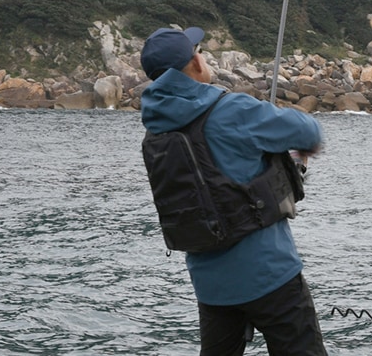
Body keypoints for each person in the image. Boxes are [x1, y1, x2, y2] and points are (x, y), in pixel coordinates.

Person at [139, 26, 327, 356]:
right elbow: (309, 132)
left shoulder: (155, 129)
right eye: (199, 51)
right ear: (196, 63)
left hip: (211, 286)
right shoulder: (233, 109)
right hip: (270, 274)